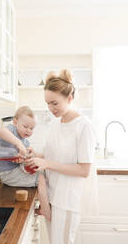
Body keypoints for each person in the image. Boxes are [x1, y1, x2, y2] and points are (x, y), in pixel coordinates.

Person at [26, 69, 98, 244]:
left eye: (54, 103)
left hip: (68, 199)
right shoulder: (57, 123)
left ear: (70, 98)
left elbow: (83, 170)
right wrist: (36, 155)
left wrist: (47, 163)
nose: (50, 109)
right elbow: (54, 156)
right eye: (48, 104)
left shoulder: (83, 126)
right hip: (52, 194)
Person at [0, 105, 51, 220]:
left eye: (31, 128)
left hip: (14, 171)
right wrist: (18, 144)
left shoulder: (24, 140)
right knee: (41, 178)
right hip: (8, 174)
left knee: (42, 174)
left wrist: (30, 154)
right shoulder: (12, 130)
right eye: (25, 126)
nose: (28, 131)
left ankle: (43, 206)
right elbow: (0, 131)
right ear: (15, 122)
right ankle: (44, 208)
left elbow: (31, 153)